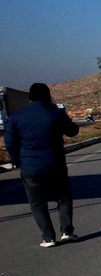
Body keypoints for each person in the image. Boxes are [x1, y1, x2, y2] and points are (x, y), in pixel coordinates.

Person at [3, 83, 80, 247]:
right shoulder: (56, 113)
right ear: (48, 95)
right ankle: (67, 232)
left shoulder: (17, 117)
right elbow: (73, 131)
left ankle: (48, 237)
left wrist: (17, 161)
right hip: (55, 164)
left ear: (30, 97)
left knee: (37, 203)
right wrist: (59, 112)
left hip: (30, 167)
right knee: (63, 198)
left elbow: (10, 143)